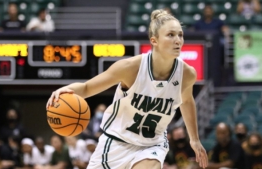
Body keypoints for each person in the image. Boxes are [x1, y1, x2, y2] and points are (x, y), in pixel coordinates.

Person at [47, 9, 208, 169]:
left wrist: (194, 139)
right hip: (116, 141)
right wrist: (66, 90)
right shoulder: (130, 68)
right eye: (171, 35)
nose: (178, 40)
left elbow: (186, 101)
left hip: (151, 144)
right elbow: (88, 87)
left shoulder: (187, 74)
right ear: (154, 40)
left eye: (180, 35)